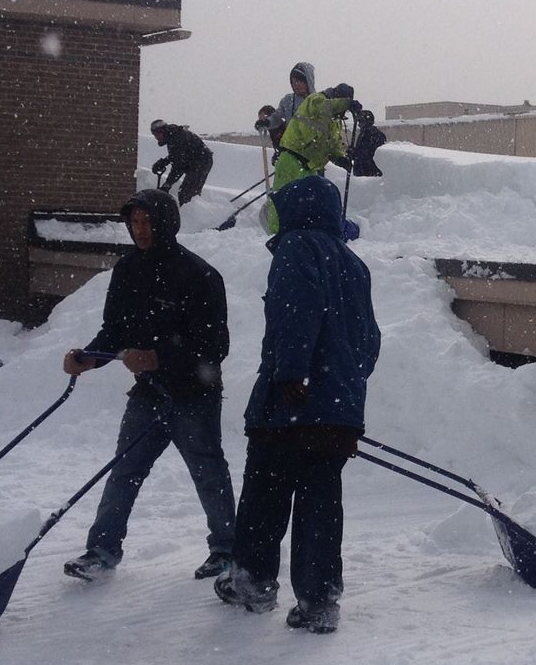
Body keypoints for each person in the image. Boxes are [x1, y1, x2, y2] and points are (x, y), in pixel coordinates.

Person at [217, 175, 381, 633]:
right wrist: (346, 385)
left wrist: (292, 373)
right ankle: (319, 600)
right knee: (321, 504)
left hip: (290, 404)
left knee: (265, 496)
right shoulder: (354, 264)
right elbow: (369, 342)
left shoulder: (297, 248)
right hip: (336, 410)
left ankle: (252, 583)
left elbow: (297, 310)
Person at [61, 188, 236, 581]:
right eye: (134, 222)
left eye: (147, 222)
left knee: (208, 472)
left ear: (166, 223)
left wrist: (160, 357)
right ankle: (101, 550)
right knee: (124, 469)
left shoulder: (200, 275)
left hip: (194, 394)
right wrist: (90, 358)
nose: (140, 230)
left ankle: (227, 550)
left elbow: (215, 346)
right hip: (149, 392)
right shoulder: (127, 270)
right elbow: (115, 330)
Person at [268, 61, 360, 233]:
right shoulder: (315, 101)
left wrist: (341, 158)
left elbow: (331, 146)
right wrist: (346, 103)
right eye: (294, 80)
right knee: (283, 198)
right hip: (291, 160)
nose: (296, 84)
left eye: (300, 80)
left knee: (307, 203)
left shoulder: (334, 121)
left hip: (309, 167)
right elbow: (327, 106)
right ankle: (276, 233)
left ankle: (302, 230)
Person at [149, 119, 214, 203]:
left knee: (186, 193)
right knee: (186, 192)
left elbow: (179, 166)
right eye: (154, 135)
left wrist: (167, 184)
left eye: (157, 134)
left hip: (201, 162)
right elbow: (175, 156)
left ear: (162, 131)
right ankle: (192, 209)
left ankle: (195, 212)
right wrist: (164, 162)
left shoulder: (177, 138)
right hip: (193, 162)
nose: (156, 137)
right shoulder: (171, 136)